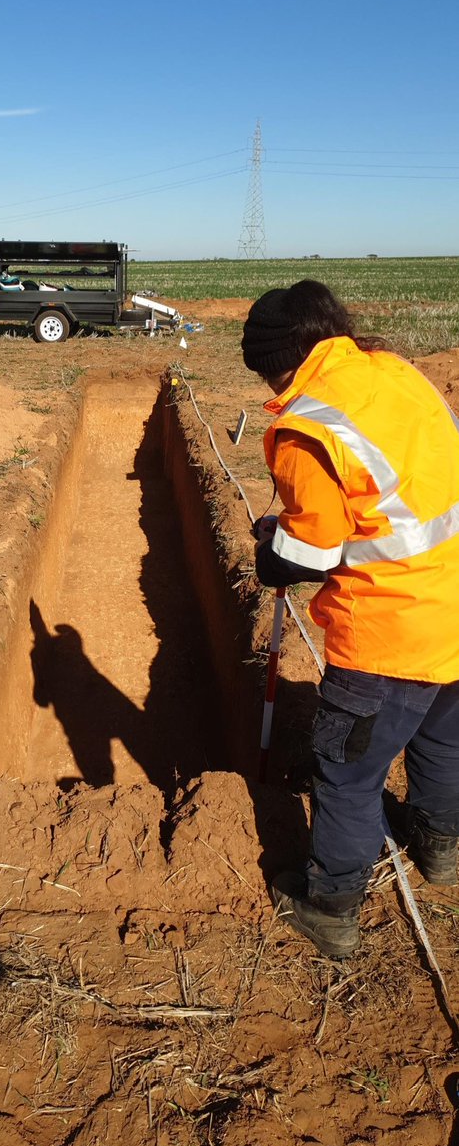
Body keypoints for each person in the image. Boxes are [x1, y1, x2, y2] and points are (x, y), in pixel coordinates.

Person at [241, 279, 459, 959]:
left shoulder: (308, 426)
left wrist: (275, 555)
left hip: (386, 635)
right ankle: (442, 851)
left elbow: (309, 552)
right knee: (443, 743)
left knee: (345, 775)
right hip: (452, 608)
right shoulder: (394, 372)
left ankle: (328, 903)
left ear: (280, 360)